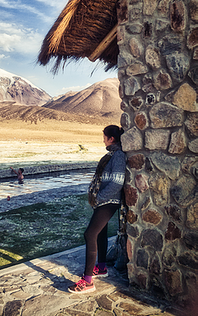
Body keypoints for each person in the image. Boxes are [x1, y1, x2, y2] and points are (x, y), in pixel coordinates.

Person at [68, 125, 126, 294]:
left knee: (89, 234)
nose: (103, 139)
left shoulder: (118, 156)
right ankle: (101, 268)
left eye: (104, 137)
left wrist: (99, 198)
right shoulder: (113, 155)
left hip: (109, 201)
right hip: (104, 201)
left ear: (111, 139)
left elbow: (117, 182)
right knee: (100, 233)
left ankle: (87, 282)